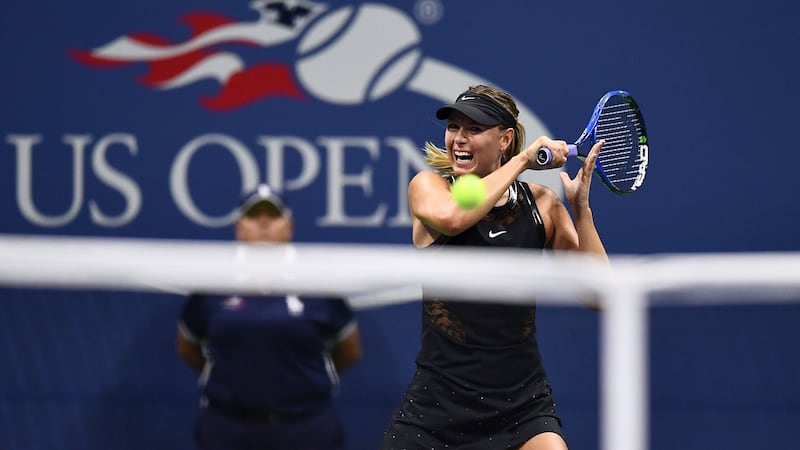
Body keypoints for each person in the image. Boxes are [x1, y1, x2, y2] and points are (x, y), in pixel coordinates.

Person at [380, 85, 608, 450]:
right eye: (454, 127)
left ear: (505, 139)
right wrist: (523, 161)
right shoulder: (429, 187)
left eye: (474, 129)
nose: (459, 138)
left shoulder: (543, 205)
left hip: (521, 406)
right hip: (436, 411)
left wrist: (581, 212)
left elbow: (602, 297)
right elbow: (453, 219)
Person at [176, 183, 363, 450]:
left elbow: (350, 349)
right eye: (253, 215)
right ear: (239, 227)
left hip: (307, 429)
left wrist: (308, 380)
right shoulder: (212, 283)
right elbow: (187, 345)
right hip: (227, 429)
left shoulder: (318, 282)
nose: (263, 223)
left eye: (273, 215)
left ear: (289, 227)